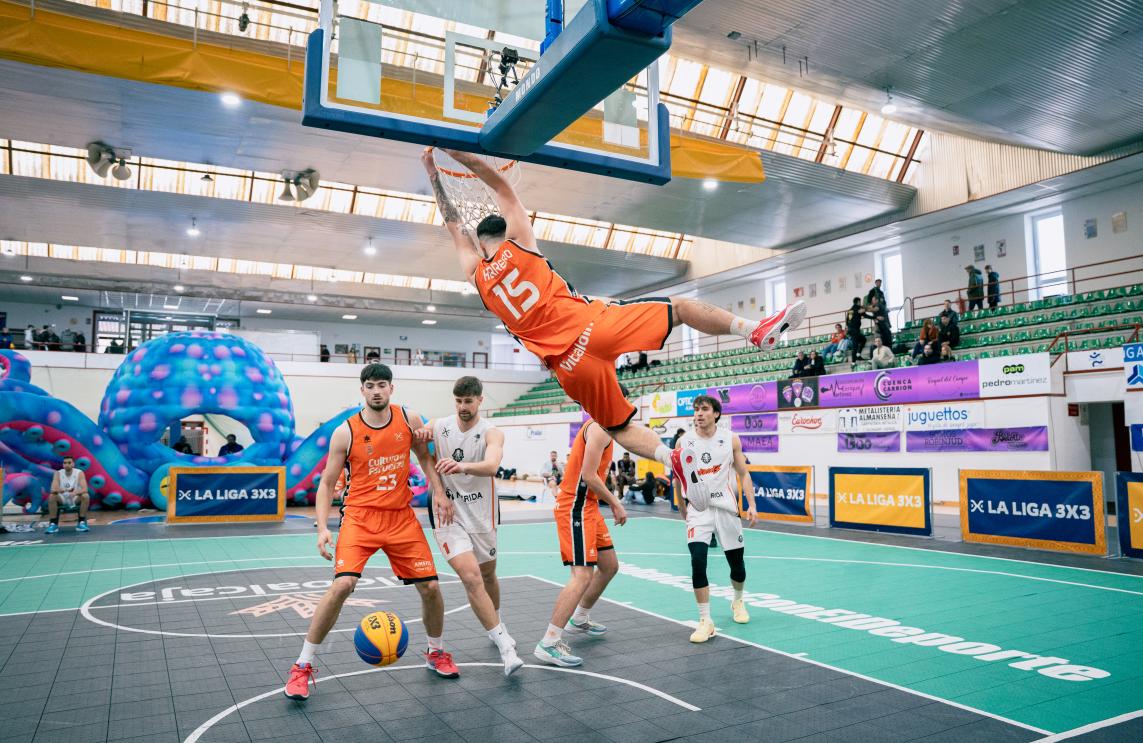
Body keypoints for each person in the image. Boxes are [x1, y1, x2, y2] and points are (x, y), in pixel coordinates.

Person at [421, 147, 806, 500]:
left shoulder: (477, 277)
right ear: (505, 232)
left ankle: (670, 458)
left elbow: (453, 225)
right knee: (680, 309)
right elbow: (500, 185)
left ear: (480, 243)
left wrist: (432, 174)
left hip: (570, 368)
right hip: (593, 326)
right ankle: (752, 330)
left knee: (618, 427)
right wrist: (457, 153)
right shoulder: (519, 241)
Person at [284, 363, 457, 701]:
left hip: (400, 518)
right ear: (362, 390)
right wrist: (322, 528)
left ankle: (436, 652)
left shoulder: (409, 419)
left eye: (382, 385)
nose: (376, 391)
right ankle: (302, 666)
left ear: (391, 388)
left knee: (432, 587)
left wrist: (438, 491)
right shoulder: (345, 431)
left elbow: (425, 459)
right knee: (342, 585)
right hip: (360, 518)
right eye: (370, 386)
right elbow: (327, 484)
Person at [417, 376, 523, 676]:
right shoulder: (440, 425)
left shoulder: (492, 432)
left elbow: (491, 466)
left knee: (488, 574)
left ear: (480, 401)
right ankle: (506, 648)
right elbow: (420, 444)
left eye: (468, 401)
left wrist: (460, 465)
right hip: (448, 514)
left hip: (481, 514)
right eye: (458, 401)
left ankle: (496, 623)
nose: (463, 406)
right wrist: (420, 434)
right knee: (471, 576)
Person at [535, 418, 627, 667]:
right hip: (575, 506)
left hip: (590, 506)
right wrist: (616, 503)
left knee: (609, 566)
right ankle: (549, 643)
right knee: (582, 575)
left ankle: (579, 618)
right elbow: (588, 475)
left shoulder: (610, 428)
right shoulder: (598, 428)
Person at [674, 395, 756, 642]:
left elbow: (743, 473)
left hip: (726, 507)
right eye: (696, 409)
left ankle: (738, 601)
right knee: (698, 561)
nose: (699, 413)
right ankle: (705, 620)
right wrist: (681, 506)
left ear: (716, 414)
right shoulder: (684, 441)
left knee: (737, 564)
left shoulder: (730, 439)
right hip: (698, 509)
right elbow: (677, 477)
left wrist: (751, 504)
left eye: (704, 409)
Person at [46, 455, 90, 534]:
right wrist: (63, 490)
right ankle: (53, 524)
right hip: (62, 498)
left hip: (75, 498)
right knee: (52, 496)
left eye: (69, 463)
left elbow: (85, 489)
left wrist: (75, 493)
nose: (67, 465)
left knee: (85, 496)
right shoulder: (58, 473)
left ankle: (81, 522)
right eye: (65, 463)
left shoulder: (79, 473)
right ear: (63, 464)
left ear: (73, 464)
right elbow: (53, 489)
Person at [845, 297, 867, 363]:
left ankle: (858, 355)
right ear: (858, 302)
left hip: (851, 330)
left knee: (863, 339)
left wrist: (849, 328)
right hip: (854, 331)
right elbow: (865, 315)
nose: (860, 303)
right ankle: (853, 363)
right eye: (860, 302)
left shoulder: (850, 310)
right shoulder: (858, 308)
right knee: (855, 346)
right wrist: (874, 317)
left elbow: (847, 321)